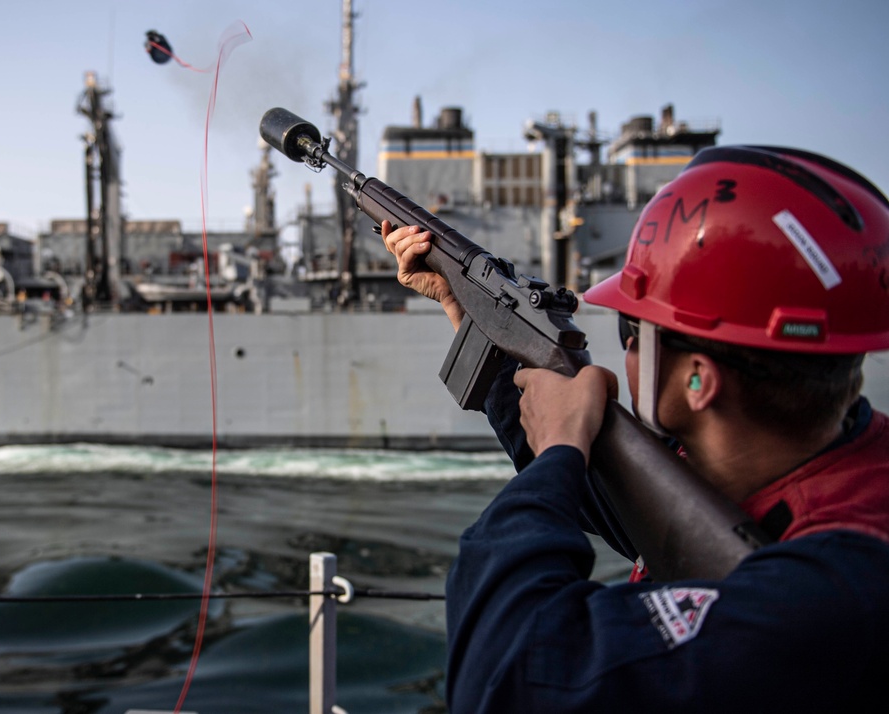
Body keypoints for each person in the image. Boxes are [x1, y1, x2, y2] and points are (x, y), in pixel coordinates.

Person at [381, 145, 889, 712]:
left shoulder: (829, 594)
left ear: (699, 380)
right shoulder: (809, 461)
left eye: (633, 326)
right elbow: (630, 505)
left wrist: (558, 452)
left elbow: (507, 672)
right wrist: (466, 308)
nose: (624, 344)